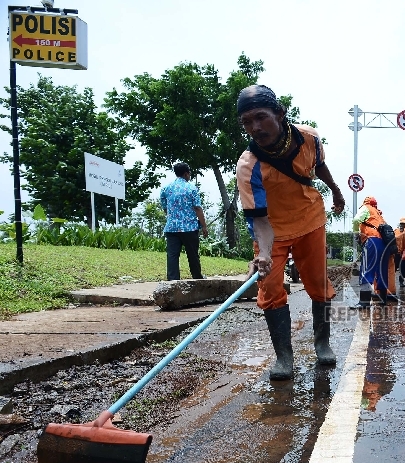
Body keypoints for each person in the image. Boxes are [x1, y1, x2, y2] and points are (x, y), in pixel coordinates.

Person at [235, 85, 346, 380]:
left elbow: (318, 166)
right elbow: (259, 221)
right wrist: (266, 254)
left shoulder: (308, 137)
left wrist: (335, 189)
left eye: (261, 117)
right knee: (270, 289)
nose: (255, 127)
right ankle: (284, 357)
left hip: (310, 220)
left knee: (318, 283)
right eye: (247, 122)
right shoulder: (248, 166)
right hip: (273, 231)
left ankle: (322, 343)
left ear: (280, 114)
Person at [160, 162, 208, 281]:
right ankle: (197, 277)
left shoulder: (166, 189)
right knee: (192, 255)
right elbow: (197, 208)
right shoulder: (191, 188)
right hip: (189, 228)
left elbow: (165, 209)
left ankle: (173, 280)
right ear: (186, 174)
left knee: (172, 256)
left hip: (171, 228)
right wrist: (204, 226)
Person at [354, 196, 392, 307]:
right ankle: (383, 300)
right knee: (382, 271)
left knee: (366, 269)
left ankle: (364, 302)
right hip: (384, 244)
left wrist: (356, 234)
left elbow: (356, 220)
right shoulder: (379, 214)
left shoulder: (366, 208)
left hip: (372, 240)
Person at [395, 217, 405, 287]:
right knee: (394, 268)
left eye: (404, 224)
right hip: (396, 253)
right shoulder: (396, 231)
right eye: (401, 224)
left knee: (403, 269)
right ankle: (390, 282)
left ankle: (401, 281)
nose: (402, 225)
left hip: (404, 254)